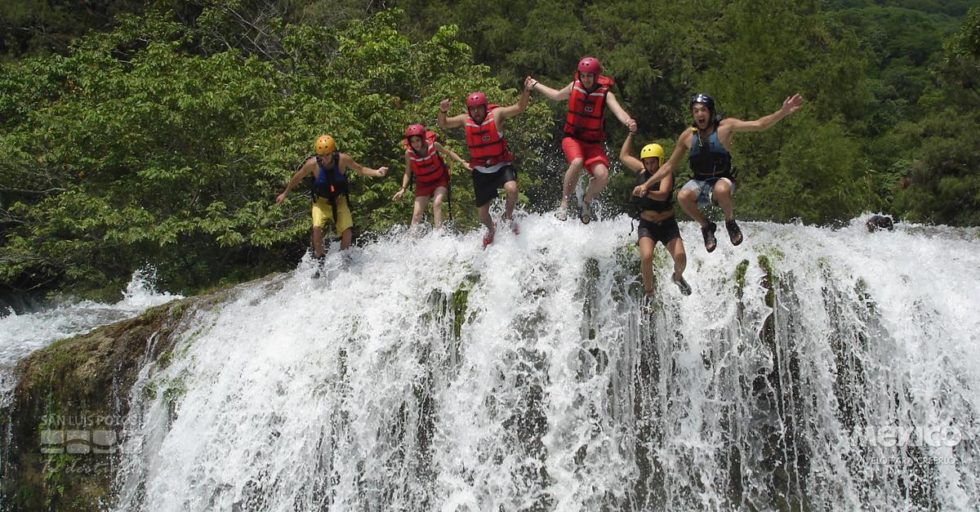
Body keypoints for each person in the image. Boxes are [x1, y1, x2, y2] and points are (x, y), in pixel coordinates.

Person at [634, 92, 804, 252]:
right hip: (700, 182)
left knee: (721, 189)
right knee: (682, 196)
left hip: (722, 179)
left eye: (703, 110)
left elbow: (759, 125)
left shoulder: (725, 127)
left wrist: (783, 112)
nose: (700, 114)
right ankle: (706, 226)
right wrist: (646, 184)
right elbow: (669, 166)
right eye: (696, 111)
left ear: (710, 111)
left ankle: (730, 221)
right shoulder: (687, 136)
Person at [525, 57, 637, 223]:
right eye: (583, 76)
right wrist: (535, 84)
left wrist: (628, 121)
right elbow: (556, 95)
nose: (586, 79)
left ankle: (586, 201)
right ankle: (564, 204)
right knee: (577, 162)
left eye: (589, 76)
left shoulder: (606, 94)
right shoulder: (574, 86)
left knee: (603, 175)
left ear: (596, 75)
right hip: (573, 139)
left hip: (592, 144)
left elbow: (619, 112)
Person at [437, 83, 531, 248]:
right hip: (481, 171)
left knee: (512, 189)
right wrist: (443, 110)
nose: (476, 112)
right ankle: (491, 229)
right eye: (472, 109)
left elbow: (519, 107)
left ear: (485, 107)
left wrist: (526, 91)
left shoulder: (497, 115)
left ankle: (508, 218)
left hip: (501, 165)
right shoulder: (464, 120)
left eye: (479, 108)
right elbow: (443, 123)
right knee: (482, 215)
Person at [276, 135, 387, 273]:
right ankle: (320, 261)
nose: (325, 158)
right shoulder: (312, 164)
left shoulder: (343, 159)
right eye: (321, 155)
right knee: (316, 229)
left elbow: (361, 169)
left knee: (347, 231)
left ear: (333, 152)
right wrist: (285, 193)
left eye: (327, 155)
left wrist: (377, 172)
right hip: (320, 204)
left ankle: (344, 259)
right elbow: (298, 177)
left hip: (340, 201)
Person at [620, 129, 691, 297]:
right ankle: (648, 291)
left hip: (667, 224)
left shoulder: (665, 173)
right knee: (646, 257)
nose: (650, 166)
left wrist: (645, 191)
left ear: (660, 161)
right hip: (647, 225)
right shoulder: (641, 170)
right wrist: (630, 134)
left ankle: (678, 277)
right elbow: (623, 156)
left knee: (680, 256)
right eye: (647, 163)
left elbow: (663, 194)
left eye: (653, 163)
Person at [392, 124, 470, 231]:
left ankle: (438, 235)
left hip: (439, 180)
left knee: (437, 203)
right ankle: (411, 241)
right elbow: (407, 172)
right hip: (423, 184)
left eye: (418, 140)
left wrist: (462, 162)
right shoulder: (408, 153)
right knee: (416, 215)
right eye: (413, 141)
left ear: (423, 139)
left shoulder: (434, 145)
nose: (415, 144)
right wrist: (403, 189)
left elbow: (449, 153)